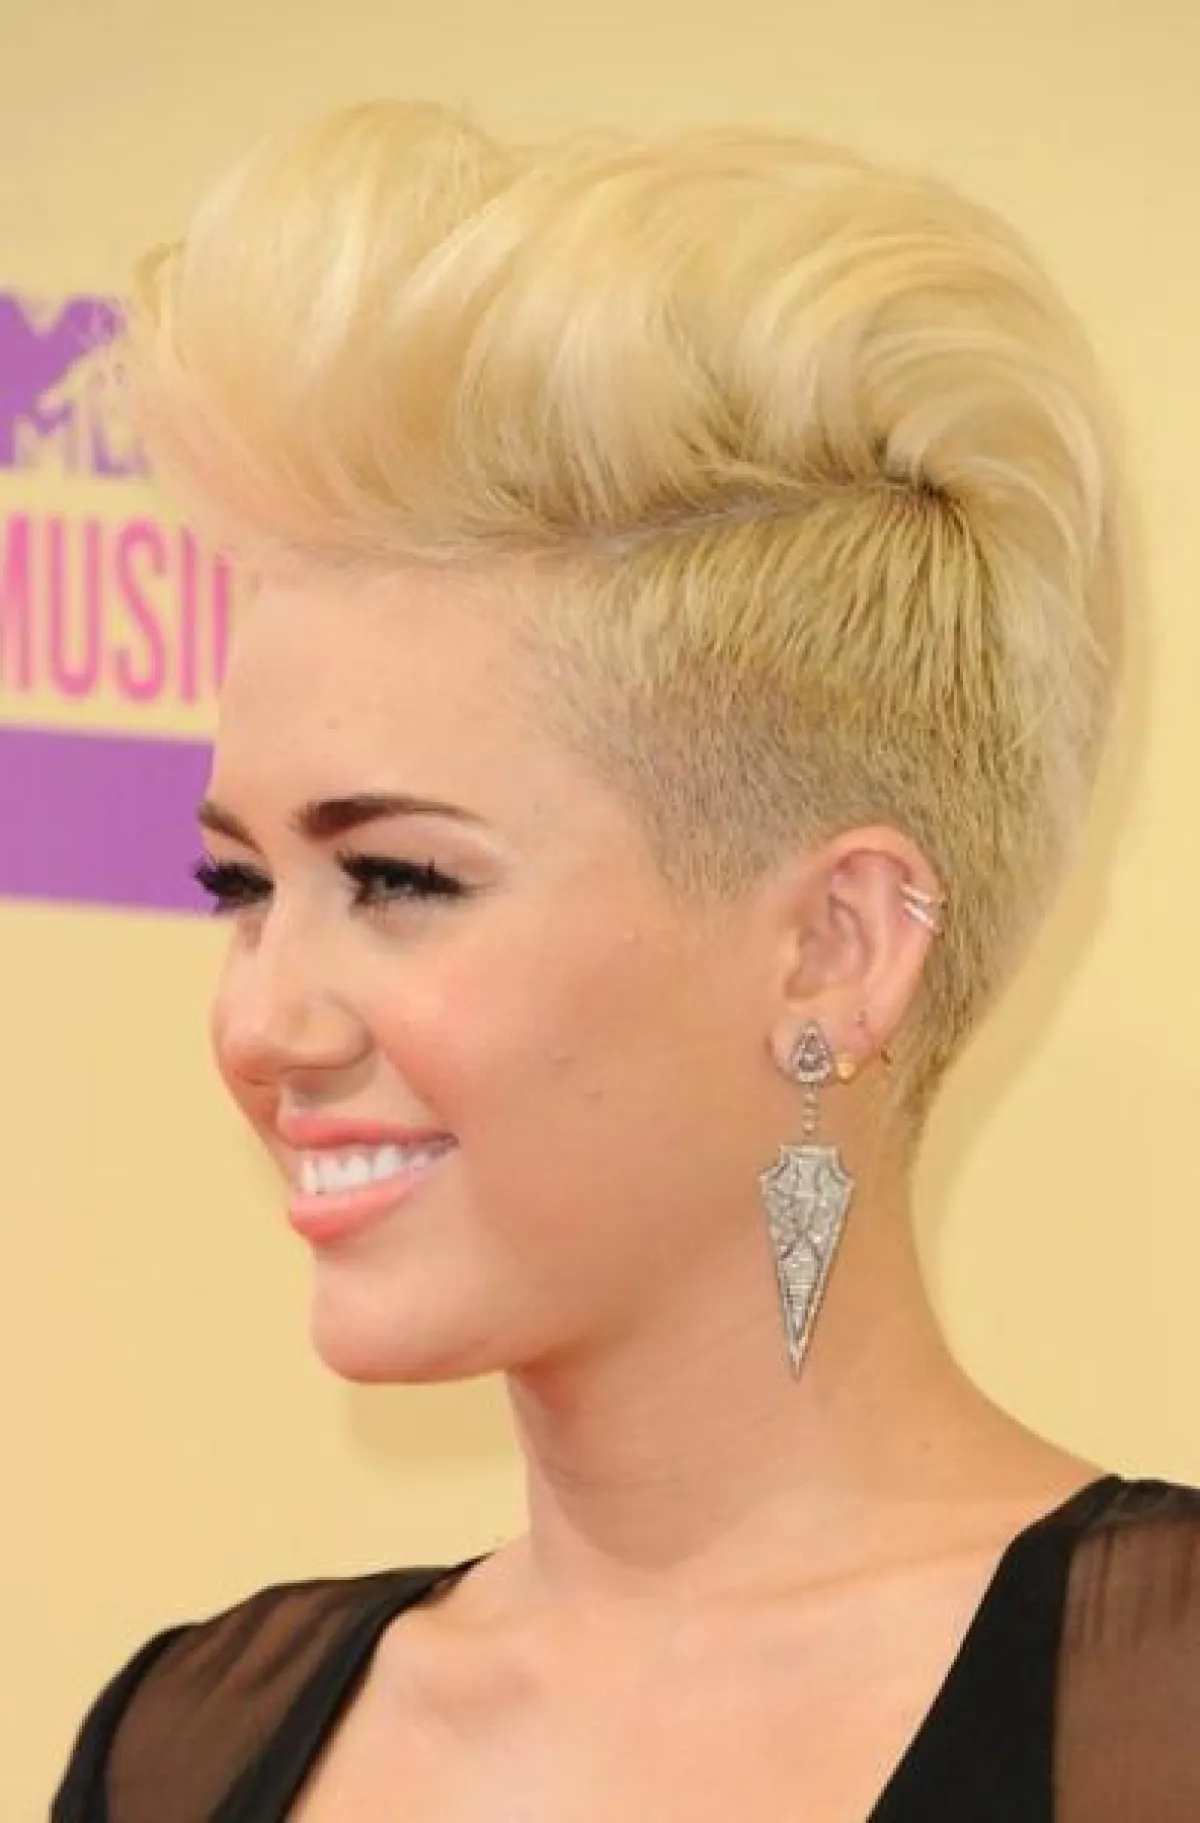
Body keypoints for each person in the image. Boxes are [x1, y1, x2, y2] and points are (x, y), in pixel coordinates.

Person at [53, 102, 1199, 1822]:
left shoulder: (1158, 1712)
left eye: (399, 877)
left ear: (836, 948)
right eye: (241, 882)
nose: (261, 1020)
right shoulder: (186, 1742)